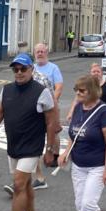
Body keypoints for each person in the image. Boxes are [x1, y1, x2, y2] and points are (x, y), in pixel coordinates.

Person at [0, 53, 56, 211]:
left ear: (31, 69)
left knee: (19, 184)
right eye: (16, 69)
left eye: (23, 69)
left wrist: (50, 149)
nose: (19, 72)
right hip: (14, 145)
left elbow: (52, 123)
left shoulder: (42, 91)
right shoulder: (6, 90)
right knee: (26, 184)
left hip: (32, 146)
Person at [58, 75, 106, 211]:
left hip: (97, 166)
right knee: (79, 205)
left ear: (92, 91)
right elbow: (73, 135)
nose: (78, 93)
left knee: (88, 205)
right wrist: (65, 152)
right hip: (78, 165)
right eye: (76, 90)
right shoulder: (78, 108)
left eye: (81, 90)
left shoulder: (104, 112)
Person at [34, 43, 63, 181]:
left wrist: (51, 103)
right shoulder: (31, 68)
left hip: (50, 106)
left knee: (53, 131)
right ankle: (38, 156)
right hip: (35, 108)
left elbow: (58, 87)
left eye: (42, 51)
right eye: (37, 52)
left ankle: (55, 155)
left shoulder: (53, 68)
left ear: (47, 53)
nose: (40, 54)